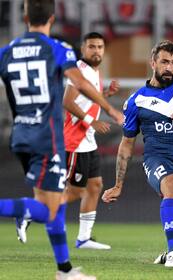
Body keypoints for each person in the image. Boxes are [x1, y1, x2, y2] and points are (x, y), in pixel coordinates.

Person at [0, 0, 123, 279]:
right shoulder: (57, 49)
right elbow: (78, 84)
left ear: (25, 15)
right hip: (48, 137)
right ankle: (26, 215)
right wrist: (109, 108)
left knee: (52, 201)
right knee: (48, 207)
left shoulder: (7, 51)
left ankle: (64, 269)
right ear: (52, 18)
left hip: (20, 135)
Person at [101, 40, 173, 268]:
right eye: (164, 62)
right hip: (158, 159)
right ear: (153, 62)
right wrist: (118, 184)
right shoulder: (137, 100)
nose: (169, 67)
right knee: (172, 185)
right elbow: (127, 143)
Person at [16, 32, 115, 250]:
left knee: (95, 186)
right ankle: (28, 212)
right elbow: (68, 102)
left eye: (100, 46)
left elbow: (85, 100)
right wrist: (92, 122)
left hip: (88, 142)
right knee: (75, 191)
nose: (96, 50)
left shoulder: (93, 71)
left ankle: (84, 238)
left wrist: (105, 94)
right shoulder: (79, 69)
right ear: (83, 49)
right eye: (92, 47)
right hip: (75, 141)